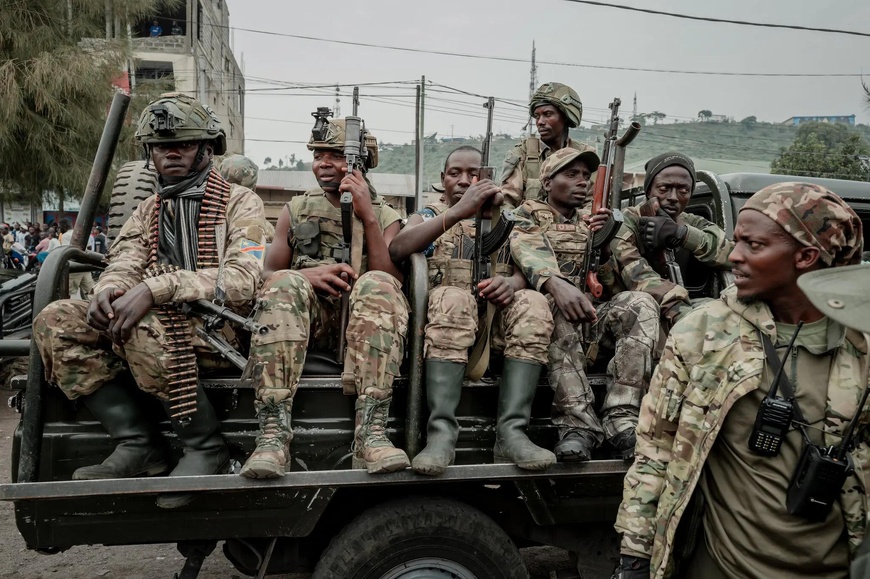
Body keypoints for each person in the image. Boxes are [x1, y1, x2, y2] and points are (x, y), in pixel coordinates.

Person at [616, 182, 868, 579]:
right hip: (719, 566)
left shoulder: (860, 345)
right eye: (737, 242)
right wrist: (635, 556)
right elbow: (656, 450)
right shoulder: (703, 333)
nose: (734, 255)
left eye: (754, 245)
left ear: (805, 256)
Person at [32, 93, 266, 509]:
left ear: (206, 149)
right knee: (56, 319)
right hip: (158, 327)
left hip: (220, 330)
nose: (171, 154)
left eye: (184, 145)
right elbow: (125, 260)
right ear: (149, 152)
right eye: (160, 147)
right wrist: (108, 290)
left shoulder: (239, 202)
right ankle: (137, 443)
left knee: (140, 322)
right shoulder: (149, 209)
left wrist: (157, 289)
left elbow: (243, 279)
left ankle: (205, 446)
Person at [239, 117, 410, 479]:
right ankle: (272, 437)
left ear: (360, 163)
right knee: (284, 283)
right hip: (305, 323)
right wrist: (306, 276)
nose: (324, 164)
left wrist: (368, 215)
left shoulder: (384, 214)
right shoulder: (296, 209)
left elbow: (394, 278)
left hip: (366, 329)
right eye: (318, 156)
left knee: (378, 283)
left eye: (336, 156)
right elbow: (265, 275)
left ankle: (372, 434)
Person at [389, 146, 555, 474]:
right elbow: (397, 248)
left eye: (474, 174)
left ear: (489, 178)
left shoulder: (511, 217)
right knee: (452, 297)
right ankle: (441, 435)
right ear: (443, 179)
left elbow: (535, 263)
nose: (465, 181)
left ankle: (511, 433)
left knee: (535, 303)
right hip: (443, 331)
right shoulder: (429, 215)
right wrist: (457, 213)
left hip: (495, 331)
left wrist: (513, 283)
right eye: (455, 173)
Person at [511, 148, 660, 462]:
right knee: (552, 304)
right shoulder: (528, 214)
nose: (582, 182)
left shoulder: (591, 222)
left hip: (591, 320)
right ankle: (578, 426)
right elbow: (527, 250)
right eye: (571, 174)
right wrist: (556, 285)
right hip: (547, 323)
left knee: (640, 303)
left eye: (585, 176)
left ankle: (622, 417)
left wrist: (604, 248)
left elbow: (611, 287)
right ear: (547, 183)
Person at [609, 152, 733, 332]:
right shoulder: (626, 222)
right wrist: (682, 313)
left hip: (679, 306)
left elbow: (732, 254)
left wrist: (682, 234)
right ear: (648, 191)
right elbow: (637, 275)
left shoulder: (691, 222)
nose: (673, 197)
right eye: (664, 188)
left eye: (683, 190)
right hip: (635, 313)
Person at [500, 82, 596, 208]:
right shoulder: (522, 153)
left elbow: (592, 204)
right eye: (537, 116)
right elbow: (507, 203)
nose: (540, 122)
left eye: (548, 114)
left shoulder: (585, 156)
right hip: (527, 221)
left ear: (566, 117)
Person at [58, 218, 97, 299]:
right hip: (85, 266)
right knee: (90, 291)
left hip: (74, 267)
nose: (59, 229)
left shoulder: (65, 236)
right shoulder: (80, 233)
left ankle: (65, 306)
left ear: (64, 226)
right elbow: (89, 248)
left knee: (67, 292)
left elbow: (67, 251)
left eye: (59, 227)